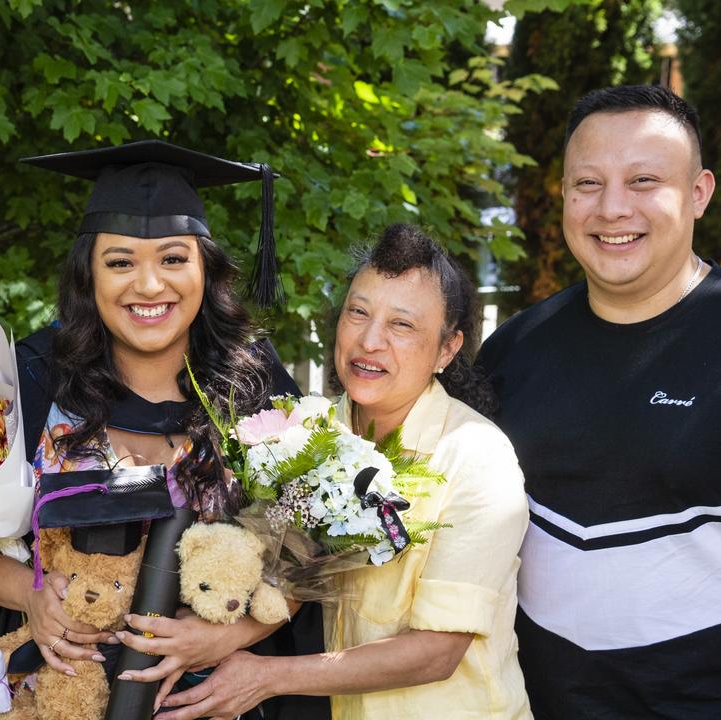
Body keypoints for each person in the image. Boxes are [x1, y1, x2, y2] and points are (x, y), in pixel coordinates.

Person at [476, 84, 721, 719]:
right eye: (587, 183)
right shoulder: (509, 354)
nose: (612, 208)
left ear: (698, 194)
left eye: (643, 181)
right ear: (562, 194)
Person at [0, 141, 329, 719]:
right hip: (54, 698)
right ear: (88, 274)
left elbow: (314, 552)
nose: (148, 285)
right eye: (120, 262)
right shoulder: (35, 377)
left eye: (173, 259)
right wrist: (31, 595)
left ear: (205, 268)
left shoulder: (251, 380)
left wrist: (230, 634)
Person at [154, 223, 533, 720]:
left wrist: (266, 679)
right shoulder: (307, 430)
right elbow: (284, 578)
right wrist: (212, 633)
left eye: (402, 325)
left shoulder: (477, 457)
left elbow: (437, 652)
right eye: (358, 312)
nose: (369, 340)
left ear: (447, 349)